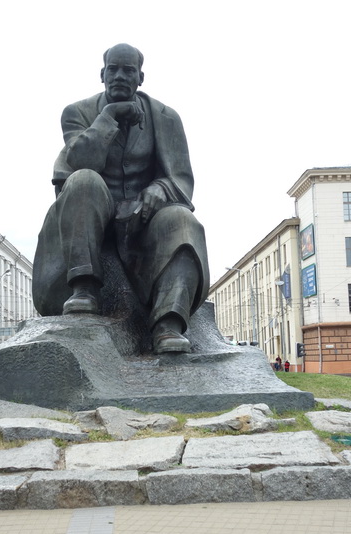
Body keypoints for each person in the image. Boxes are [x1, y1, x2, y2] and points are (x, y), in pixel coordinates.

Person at [33, 44, 209, 354]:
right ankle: (84, 288)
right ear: (102, 74)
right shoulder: (77, 113)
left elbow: (181, 179)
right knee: (84, 180)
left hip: (145, 222)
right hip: (89, 215)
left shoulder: (166, 118)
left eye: (128, 70)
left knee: (183, 219)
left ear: (140, 77)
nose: (119, 76)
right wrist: (108, 117)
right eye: (113, 69)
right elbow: (77, 164)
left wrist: (160, 190)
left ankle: (168, 323)